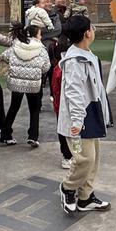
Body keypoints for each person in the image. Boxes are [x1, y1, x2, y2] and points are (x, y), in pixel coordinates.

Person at [58, 16, 111, 214]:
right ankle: (68, 187)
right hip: (78, 119)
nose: (94, 30)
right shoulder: (74, 60)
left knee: (94, 158)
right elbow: (74, 93)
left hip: (91, 112)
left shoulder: (86, 54)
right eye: (92, 27)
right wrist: (78, 121)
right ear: (87, 33)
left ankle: (85, 197)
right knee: (84, 159)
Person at [0, 22, 51, 146]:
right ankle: (33, 136)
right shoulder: (41, 48)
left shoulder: (17, 44)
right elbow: (46, 67)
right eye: (40, 34)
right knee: (34, 109)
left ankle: (6, 134)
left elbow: (5, 56)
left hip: (16, 82)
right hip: (33, 84)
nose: (41, 37)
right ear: (36, 35)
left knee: (14, 107)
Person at [50, 36, 74, 168]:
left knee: (66, 131)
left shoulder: (58, 68)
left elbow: (54, 89)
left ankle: (69, 155)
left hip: (61, 105)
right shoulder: (62, 68)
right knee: (68, 131)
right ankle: (68, 155)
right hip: (64, 105)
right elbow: (56, 88)